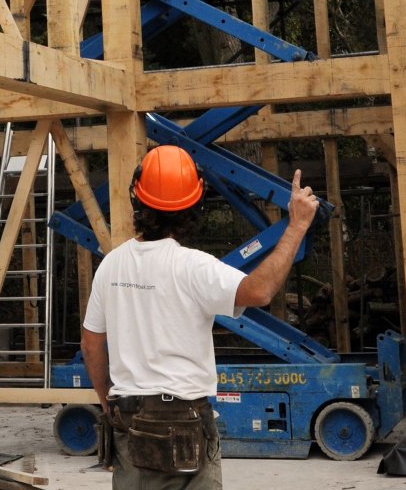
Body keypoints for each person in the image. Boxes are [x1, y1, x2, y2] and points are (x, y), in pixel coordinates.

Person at [80, 145, 318, 489]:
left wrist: (110, 406)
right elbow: (260, 291)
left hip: (128, 421)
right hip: (185, 423)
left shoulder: (111, 265)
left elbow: (91, 345)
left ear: (137, 199)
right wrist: (296, 225)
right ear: (195, 206)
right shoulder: (193, 267)